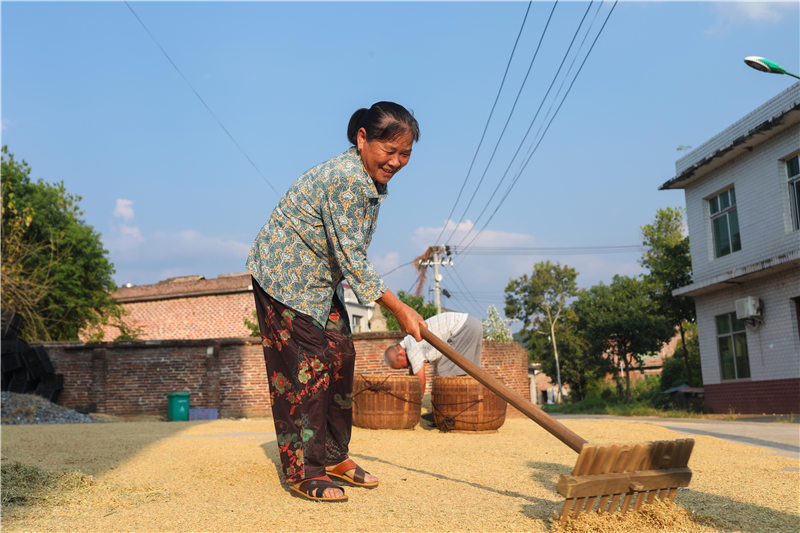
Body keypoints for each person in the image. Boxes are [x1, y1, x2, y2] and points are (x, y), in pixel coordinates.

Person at [247, 102, 426, 502]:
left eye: (406, 153)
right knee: (308, 367)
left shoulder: (371, 179)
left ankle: (331, 455)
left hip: (317, 280)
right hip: (284, 274)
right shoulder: (346, 178)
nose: (397, 161)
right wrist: (400, 308)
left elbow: (349, 254)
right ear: (363, 138)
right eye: (389, 150)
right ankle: (304, 469)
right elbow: (353, 258)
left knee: (341, 355)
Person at [383, 312, 483, 393]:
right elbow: (413, 375)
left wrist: (417, 402)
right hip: (473, 322)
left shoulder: (411, 348)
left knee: (446, 371)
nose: (405, 368)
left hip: (463, 328)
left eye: (402, 366)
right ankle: (476, 401)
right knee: (472, 370)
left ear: (400, 354)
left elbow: (421, 381)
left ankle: (454, 406)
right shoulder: (409, 340)